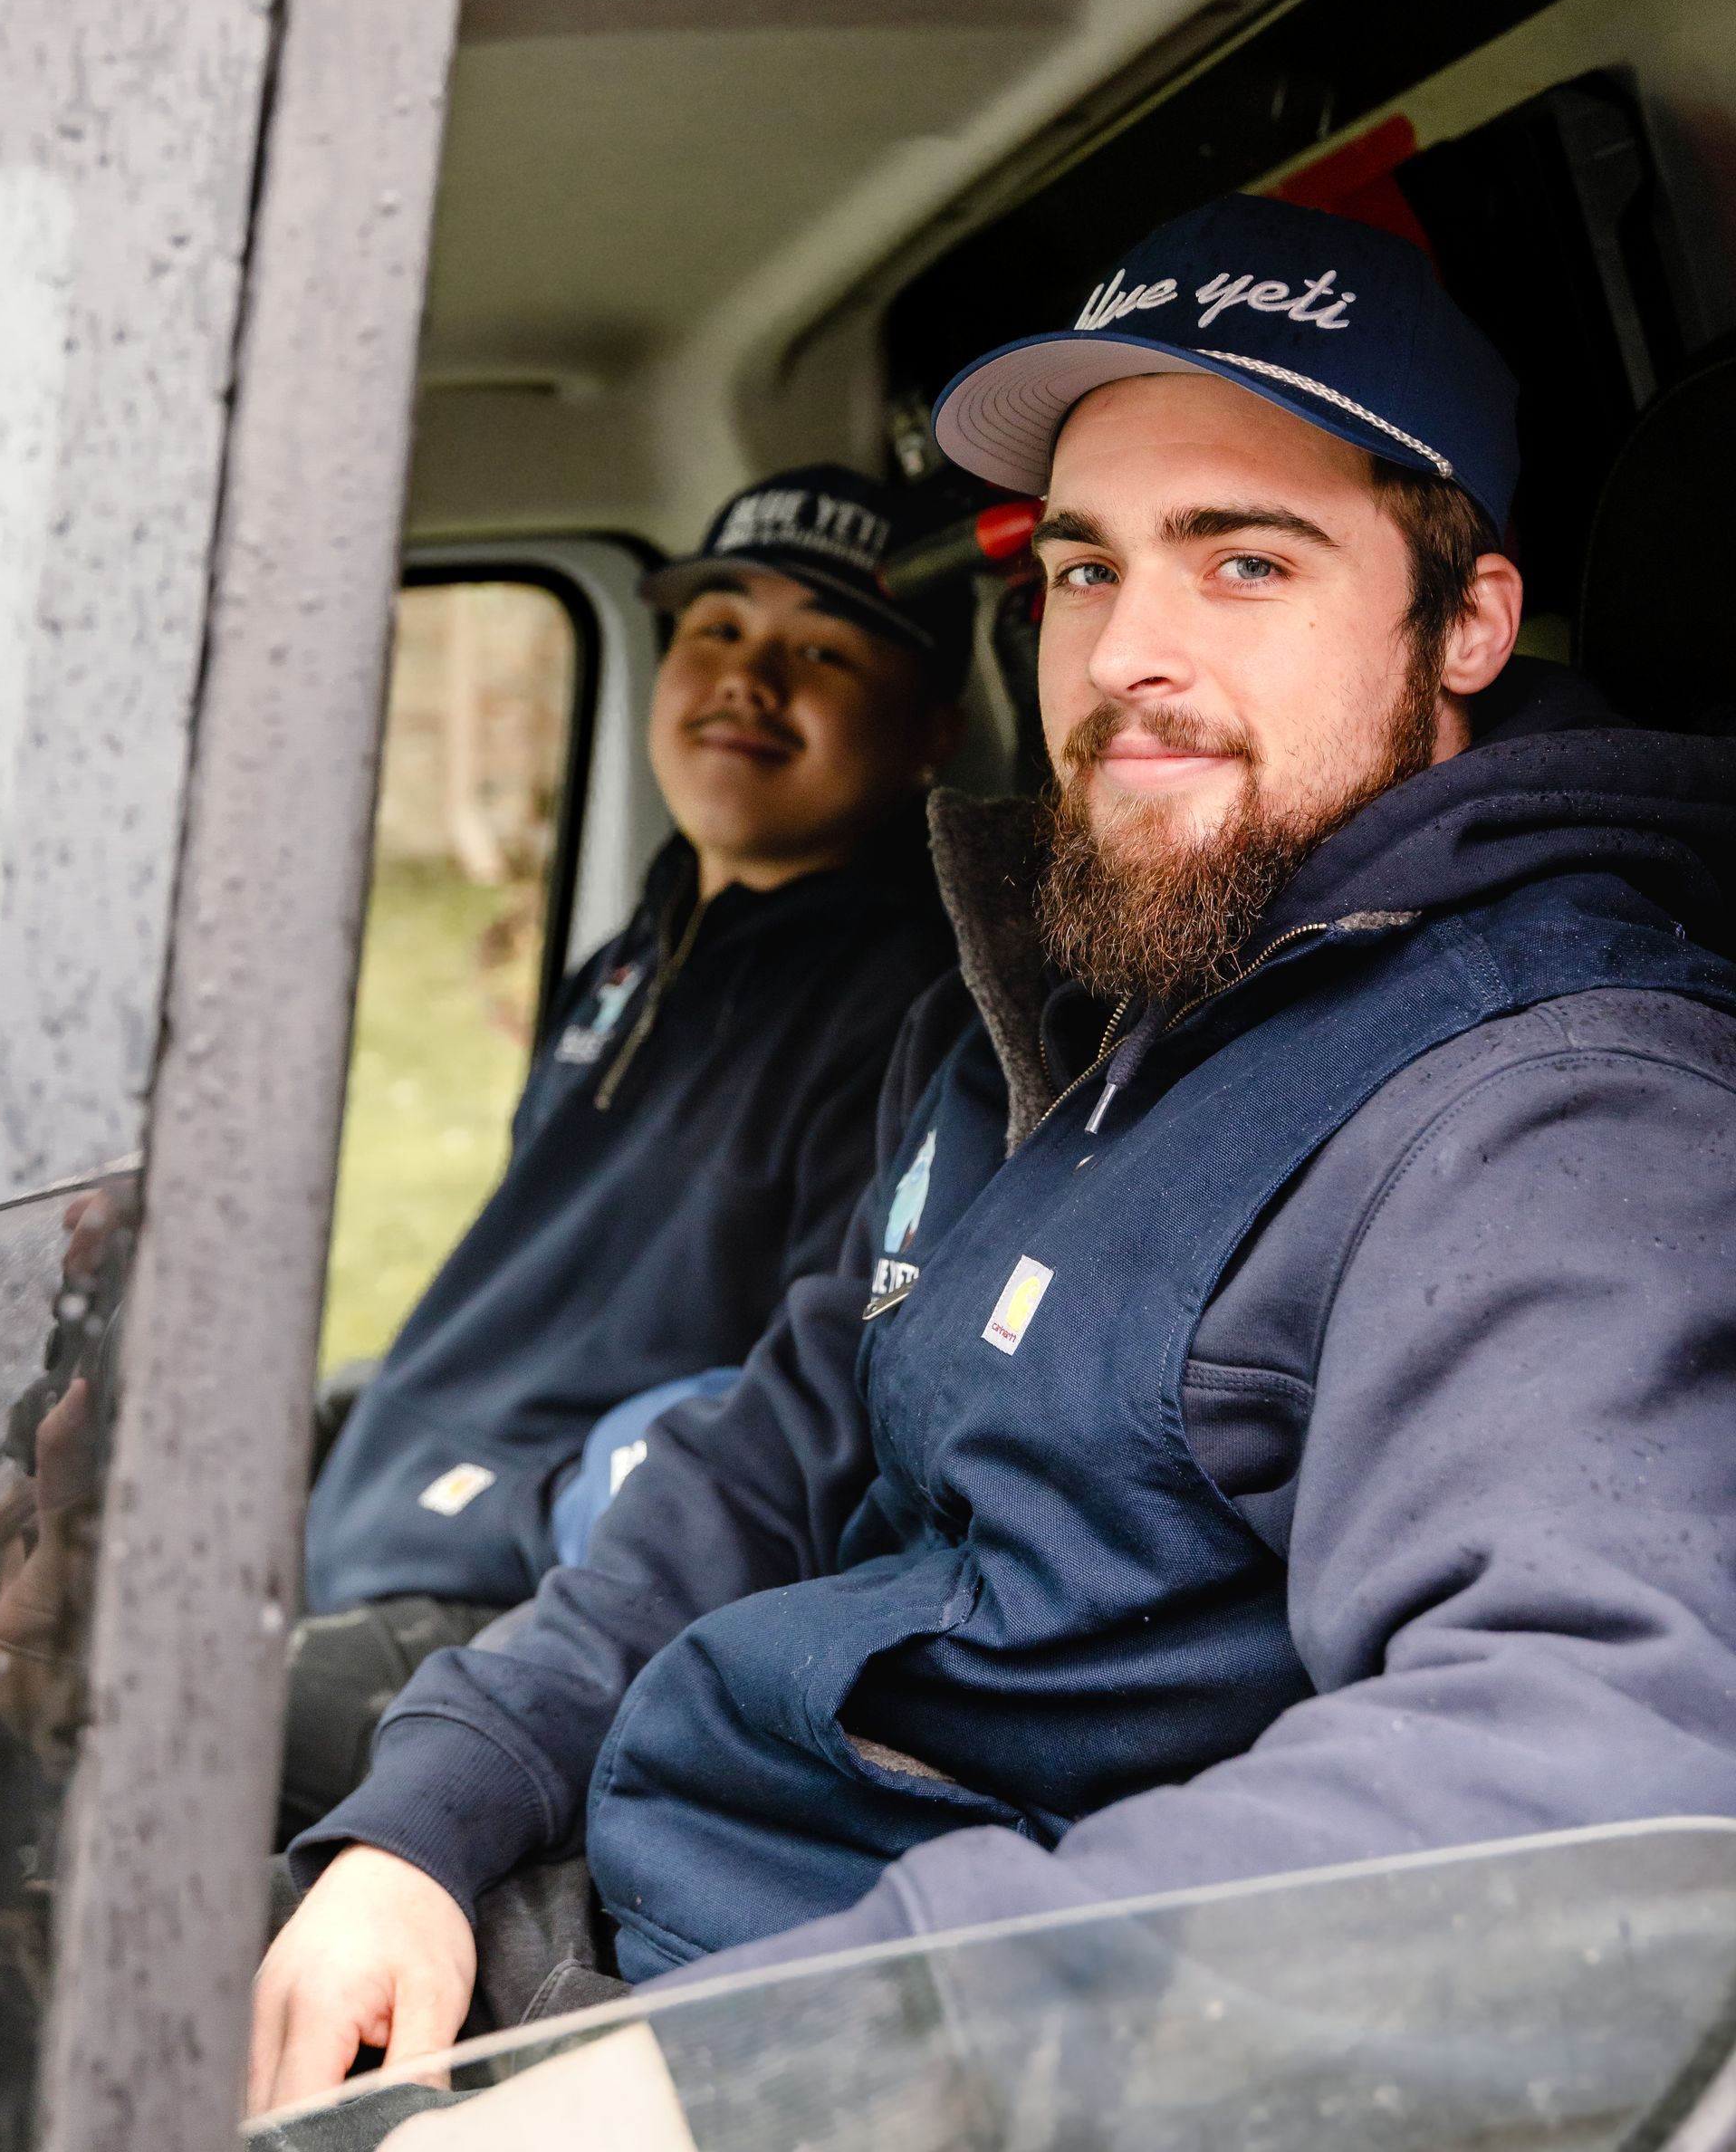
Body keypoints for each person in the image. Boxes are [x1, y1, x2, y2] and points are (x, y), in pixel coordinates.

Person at [252, 193, 1736, 2118]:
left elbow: (1584, 1761)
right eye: (1087, 570)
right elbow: (771, 1460)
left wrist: (754, 2081)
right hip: (677, 1909)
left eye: (1249, 566)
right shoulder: (1056, 1000)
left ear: (1467, 623)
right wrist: (430, 1816)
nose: (1130, 654)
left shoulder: (1554, 1108)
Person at [283, 465, 968, 1840]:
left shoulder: (906, 1007)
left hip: (518, 1611)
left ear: (930, 731)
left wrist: (537, 1515)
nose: (747, 680)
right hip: (366, 1533)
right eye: (717, 628)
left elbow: (812, 1413)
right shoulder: (638, 950)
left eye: (823, 650)